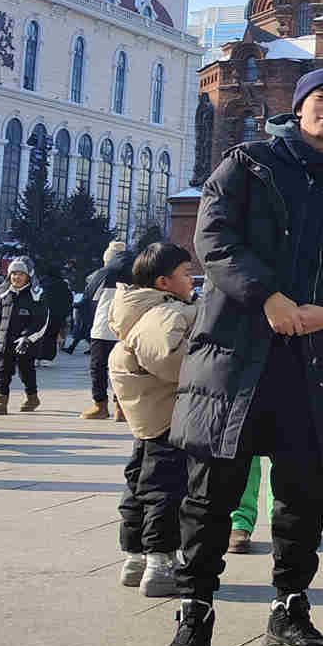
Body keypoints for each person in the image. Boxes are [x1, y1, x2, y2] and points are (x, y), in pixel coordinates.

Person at [161, 68, 323, 646]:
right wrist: (267, 297)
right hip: (238, 354)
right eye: (321, 97)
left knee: (299, 497)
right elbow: (213, 239)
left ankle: (289, 611)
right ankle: (196, 611)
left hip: (313, 357)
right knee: (211, 494)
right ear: (298, 108)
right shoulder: (249, 164)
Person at [111, 241, 201, 597]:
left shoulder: (142, 307)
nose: (191, 279)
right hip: (165, 417)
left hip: (148, 415)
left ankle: (135, 558)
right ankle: (159, 562)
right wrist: (201, 361)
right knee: (166, 491)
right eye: (184, 274)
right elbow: (165, 357)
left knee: (140, 485)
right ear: (163, 282)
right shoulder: (162, 311)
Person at [0, 258, 48, 413]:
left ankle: (32, 398)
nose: (16, 277)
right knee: (2, 372)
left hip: (25, 344)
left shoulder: (36, 296)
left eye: (21, 274)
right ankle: (1, 403)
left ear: (28, 276)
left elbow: (41, 321)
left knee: (26, 371)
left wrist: (27, 338)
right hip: (4, 341)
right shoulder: (3, 293)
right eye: (13, 273)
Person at [80, 241, 130, 419]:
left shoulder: (101, 274)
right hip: (125, 330)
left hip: (101, 328)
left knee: (98, 368)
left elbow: (88, 299)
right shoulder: (137, 273)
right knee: (123, 369)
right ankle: (121, 408)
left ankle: (100, 406)